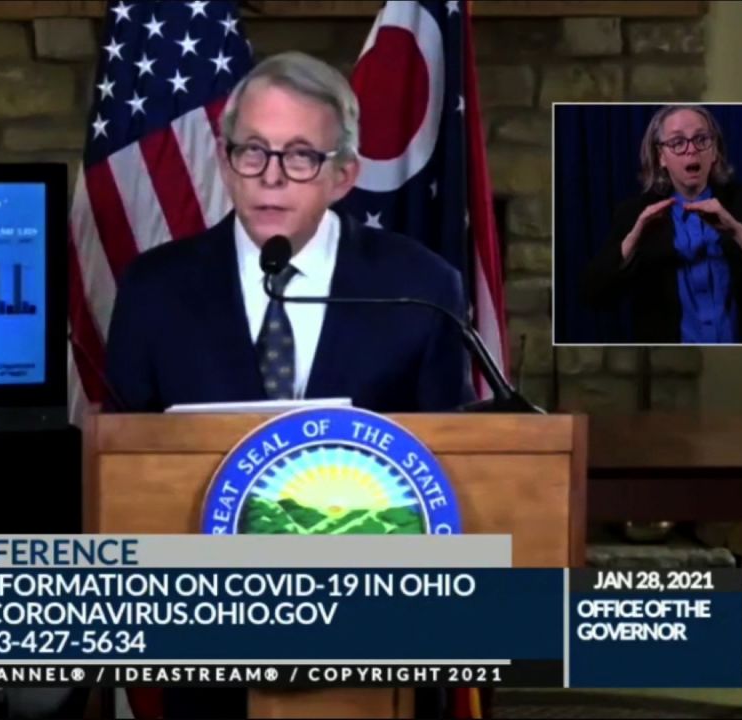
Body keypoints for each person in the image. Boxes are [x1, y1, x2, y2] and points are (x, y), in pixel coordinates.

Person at [103, 51, 472, 718]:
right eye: (254, 152)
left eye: (301, 156)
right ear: (224, 159)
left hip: (378, 637)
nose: (271, 178)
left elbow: (457, 468)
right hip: (209, 644)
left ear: (343, 175)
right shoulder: (154, 291)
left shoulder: (421, 289)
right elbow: (122, 469)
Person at [580, 104, 742, 344]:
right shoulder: (635, 214)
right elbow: (593, 296)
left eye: (701, 139)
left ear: (714, 151)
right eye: (677, 142)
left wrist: (738, 232)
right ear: (661, 157)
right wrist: (632, 242)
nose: (691, 150)